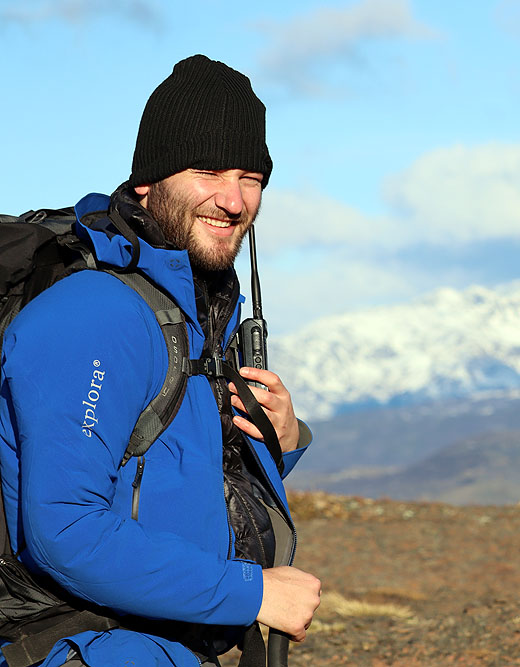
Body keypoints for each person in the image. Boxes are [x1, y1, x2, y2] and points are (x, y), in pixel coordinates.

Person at [0, 55, 321, 666]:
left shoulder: (194, 310)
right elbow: (63, 531)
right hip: (82, 647)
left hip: (155, 643)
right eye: (208, 171)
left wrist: (277, 441)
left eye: (251, 177)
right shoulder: (96, 314)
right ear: (148, 181)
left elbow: (171, 485)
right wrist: (250, 593)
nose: (234, 200)